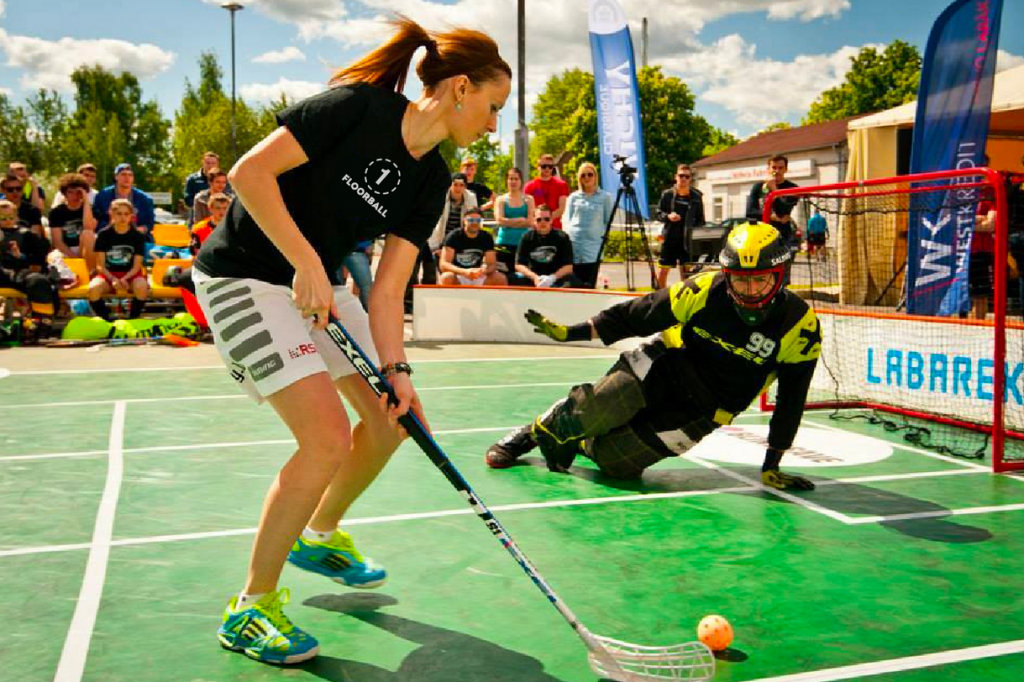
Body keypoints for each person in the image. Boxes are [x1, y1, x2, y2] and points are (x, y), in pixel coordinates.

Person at [191, 16, 510, 665]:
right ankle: (250, 609)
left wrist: (399, 371)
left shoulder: (431, 182)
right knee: (327, 438)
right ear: (457, 89)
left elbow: (389, 290)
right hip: (243, 276)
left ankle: (320, 533)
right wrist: (307, 261)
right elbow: (251, 176)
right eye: (492, 106)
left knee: (392, 419)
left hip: (320, 287)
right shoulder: (355, 109)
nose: (494, 124)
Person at [486, 221, 821, 489]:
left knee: (616, 466)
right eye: (739, 281)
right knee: (596, 407)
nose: (749, 292)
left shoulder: (799, 326)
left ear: (779, 276)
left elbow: (792, 398)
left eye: (760, 281)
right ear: (725, 274)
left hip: (707, 409)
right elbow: (638, 313)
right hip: (666, 362)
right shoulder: (704, 289)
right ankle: (535, 431)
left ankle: (582, 442)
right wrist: (570, 332)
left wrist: (772, 463)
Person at [0, 199, 57, 339]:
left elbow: (39, 257)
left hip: (20, 272)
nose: (7, 221)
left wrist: (21, 255)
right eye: (2, 218)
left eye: (10, 217)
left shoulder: (27, 234)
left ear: (16, 217)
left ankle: (42, 324)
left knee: (38, 281)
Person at [89, 199, 149, 320]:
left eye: (126, 214)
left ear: (131, 216)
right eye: (119, 213)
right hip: (108, 275)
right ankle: (106, 319)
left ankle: (133, 319)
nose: (123, 217)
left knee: (142, 287)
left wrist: (124, 279)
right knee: (93, 289)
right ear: (112, 214)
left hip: (131, 275)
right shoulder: (103, 235)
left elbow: (137, 266)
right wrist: (113, 279)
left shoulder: (137, 236)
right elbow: (100, 266)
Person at [562, 162, 613, 288]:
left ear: (595, 177)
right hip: (575, 247)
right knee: (574, 284)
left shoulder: (605, 197)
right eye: (583, 175)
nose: (587, 178)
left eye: (590, 174)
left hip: (593, 248)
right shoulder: (573, 197)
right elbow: (566, 219)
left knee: (589, 285)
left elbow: (608, 221)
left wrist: (601, 237)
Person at [655, 163, 705, 289]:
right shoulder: (667, 195)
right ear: (675, 177)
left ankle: (684, 297)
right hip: (670, 237)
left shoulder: (696, 196)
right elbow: (658, 213)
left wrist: (696, 233)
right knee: (663, 270)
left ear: (690, 179)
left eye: (687, 177)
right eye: (681, 175)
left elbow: (701, 219)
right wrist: (668, 216)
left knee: (686, 272)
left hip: (687, 240)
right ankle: (659, 297)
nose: (683, 179)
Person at [515, 204, 583, 288]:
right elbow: (519, 265)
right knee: (513, 279)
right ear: (534, 221)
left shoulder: (562, 237)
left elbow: (568, 267)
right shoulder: (526, 237)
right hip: (533, 276)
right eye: (539, 219)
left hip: (557, 277)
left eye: (546, 219)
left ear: (551, 220)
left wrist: (552, 278)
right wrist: (535, 278)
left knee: (573, 282)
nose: (543, 222)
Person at [438, 206, 506, 286]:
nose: (474, 223)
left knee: (500, 278)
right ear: (464, 221)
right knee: (446, 277)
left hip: (478, 274)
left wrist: (483, 271)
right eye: (471, 220)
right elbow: (444, 264)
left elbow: (492, 264)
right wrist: (465, 272)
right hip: (459, 274)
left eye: (478, 220)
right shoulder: (453, 236)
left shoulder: (486, 237)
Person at [493, 166, 535, 282]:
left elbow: (530, 222)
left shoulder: (529, 199)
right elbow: (499, 220)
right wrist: (520, 219)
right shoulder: (500, 200)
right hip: (504, 245)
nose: (513, 182)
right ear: (507, 181)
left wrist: (509, 222)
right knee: (503, 276)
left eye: (516, 179)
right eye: (511, 179)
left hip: (522, 244)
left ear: (521, 181)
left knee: (523, 276)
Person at [745, 155, 799, 246]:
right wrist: (770, 216)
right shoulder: (758, 187)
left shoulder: (792, 188)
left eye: (780, 168)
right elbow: (750, 212)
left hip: (782, 234)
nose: (777, 171)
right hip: (761, 233)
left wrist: (774, 189)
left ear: (786, 169)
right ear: (768, 169)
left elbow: (782, 212)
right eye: (774, 167)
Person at [49, 172, 98, 270]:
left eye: (78, 192)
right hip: (66, 249)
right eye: (70, 192)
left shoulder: (90, 209)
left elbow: (89, 228)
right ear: (64, 193)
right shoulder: (56, 212)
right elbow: (57, 241)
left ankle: (91, 274)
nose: (74, 196)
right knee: (54, 258)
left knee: (88, 234)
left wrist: (86, 202)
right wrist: (75, 258)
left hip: (86, 247)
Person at [93, 163, 156, 238]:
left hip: (136, 237)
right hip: (110, 235)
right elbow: (97, 219)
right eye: (123, 174)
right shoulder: (102, 196)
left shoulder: (145, 199)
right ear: (116, 176)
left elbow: (150, 223)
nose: (127, 178)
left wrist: (138, 230)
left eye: (130, 175)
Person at [524, 153, 570, 229]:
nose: (547, 169)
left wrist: (546, 219)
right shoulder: (529, 186)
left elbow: (562, 209)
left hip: (556, 228)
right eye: (544, 166)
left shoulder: (561, 185)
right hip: (536, 228)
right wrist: (541, 220)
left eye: (550, 167)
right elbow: (528, 209)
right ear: (538, 167)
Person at [1, 173, 44, 237]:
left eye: (18, 189)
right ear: (3, 190)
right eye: (10, 189)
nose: (15, 192)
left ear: (23, 189)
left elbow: (36, 235)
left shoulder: (32, 210)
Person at [184, 151, 221, 223]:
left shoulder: (224, 180)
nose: (210, 165)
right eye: (208, 163)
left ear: (217, 164)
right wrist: (207, 204)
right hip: (198, 221)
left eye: (213, 163)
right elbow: (188, 200)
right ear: (203, 162)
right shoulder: (192, 179)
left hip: (219, 222)